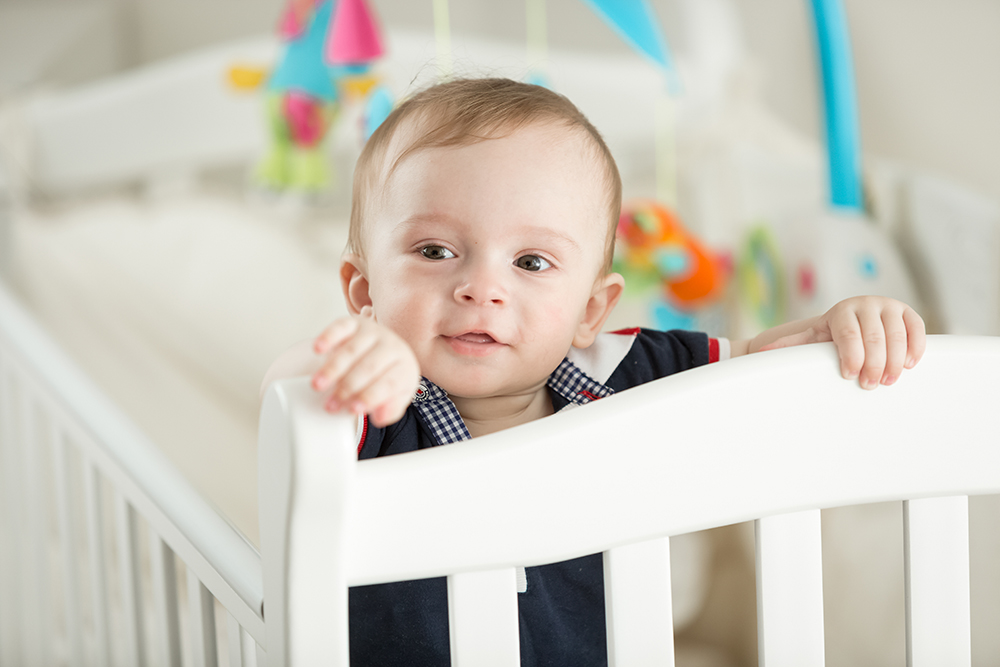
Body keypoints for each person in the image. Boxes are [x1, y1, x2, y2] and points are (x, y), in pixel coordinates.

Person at [263, 77, 925, 666]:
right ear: (362, 291)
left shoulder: (626, 373)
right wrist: (350, 361)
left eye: (531, 262)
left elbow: (762, 372)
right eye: (435, 250)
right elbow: (288, 400)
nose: (482, 286)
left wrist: (841, 326)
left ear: (592, 308)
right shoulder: (368, 407)